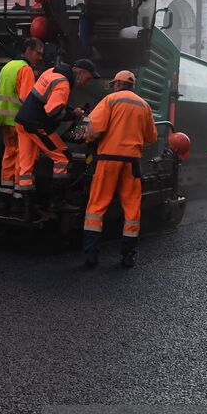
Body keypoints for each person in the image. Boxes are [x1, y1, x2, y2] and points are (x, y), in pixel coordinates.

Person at [82, 69, 158, 269]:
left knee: (96, 207)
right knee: (132, 208)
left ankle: (91, 254)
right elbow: (152, 137)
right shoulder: (144, 105)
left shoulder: (110, 100)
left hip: (108, 160)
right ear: (132, 86)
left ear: (117, 84)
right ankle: (128, 255)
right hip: (131, 163)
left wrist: (86, 138)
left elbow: (94, 129)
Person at [15, 58, 95, 206]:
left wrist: (71, 109)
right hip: (38, 126)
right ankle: (57, 202)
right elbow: (53, 112)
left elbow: (47, 99)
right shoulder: (63, 83)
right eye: (88, 78)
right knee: (63, 158)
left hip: (23, 121)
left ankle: (26, 208)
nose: (87, 82)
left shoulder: (52, 72)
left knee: (26, 165)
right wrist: (74, 115)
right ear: (81, 73)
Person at [0, 37, 44, 201]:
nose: (40, 57)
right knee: (23, 157)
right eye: (38, 53)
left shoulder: (7, 66)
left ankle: (5, 194)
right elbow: (26, 99)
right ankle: (18, 197)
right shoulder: (26, 70)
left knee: (9, 154)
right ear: (28, 50)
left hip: (4, 120)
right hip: (19, 122)